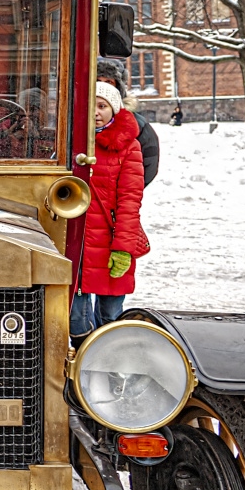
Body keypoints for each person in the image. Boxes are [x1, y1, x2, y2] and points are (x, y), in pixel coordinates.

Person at [70, 81, 149, 343]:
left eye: (102, 106)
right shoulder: (69, 142)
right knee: (75, 317)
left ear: (114, 110)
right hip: (77, 241)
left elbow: (130, 200)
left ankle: (108, 359)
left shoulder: (127, 147)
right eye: (89, 105)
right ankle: (81, 359)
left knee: (110, 314)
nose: (95, 112)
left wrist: (123, 248)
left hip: (110, 238)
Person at [97, 59, 160, 186]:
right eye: (97, 81)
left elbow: (147, 165)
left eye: (109, 82)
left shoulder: (137, 124)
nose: (103, 86)